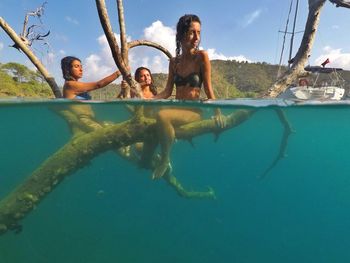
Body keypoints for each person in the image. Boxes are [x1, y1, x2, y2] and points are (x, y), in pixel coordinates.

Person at [152, 14, 225, 179]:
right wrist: (146, 101)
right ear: (181, 34)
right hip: (176, 109)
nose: (196, 38)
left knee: (162, 116)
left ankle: (165, 159)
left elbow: (208, 89)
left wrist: (217, 112)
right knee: (152, 114)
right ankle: (148, 152)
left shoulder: (202, 57)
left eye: (199, 33)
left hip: (193, 112)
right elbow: (167, 92)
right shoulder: (174, 62)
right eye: (192, 32)